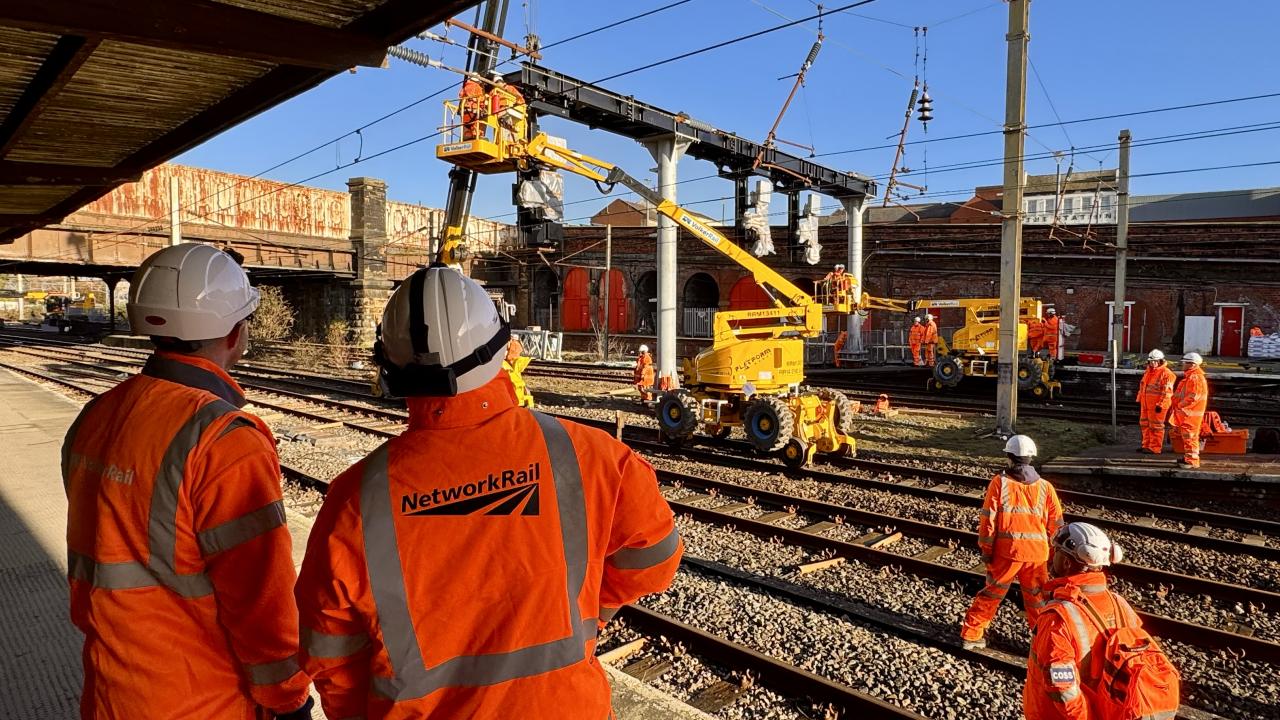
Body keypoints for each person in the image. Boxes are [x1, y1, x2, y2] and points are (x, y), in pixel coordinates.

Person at [296, 267, 682, 719]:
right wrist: (592, 608)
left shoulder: (356, 500)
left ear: (390, 370)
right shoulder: (593, 456)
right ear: (503, 349)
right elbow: (655, 560)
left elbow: (329, 653)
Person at [61, 244, 312, 719]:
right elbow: (261, 601)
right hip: (200, 699)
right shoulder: (224, 439)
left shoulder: (97, 415)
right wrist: (289, 698)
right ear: (237, 332)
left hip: (110, 692)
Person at [1025, 523, 1180, 720]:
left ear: (1066, 562)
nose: (1051, 556)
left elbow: (1062, 688)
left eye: (1057, 551)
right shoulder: (1119, 603)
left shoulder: (1058, 617)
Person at [961, 435, 1064, 650]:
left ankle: (971, 635)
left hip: (1006, 553)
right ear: (1031, 458)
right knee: (1038, 602)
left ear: (1009, 456)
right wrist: (1054, 556)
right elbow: (1057, 525)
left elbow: (988, 520)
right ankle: (1043, 645)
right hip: (1037, 555)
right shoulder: (1046, 487)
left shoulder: (1000, 483)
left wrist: (986, 550)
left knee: (991, 594)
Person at [1170, 352, 1209, 468]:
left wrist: (1180, 405)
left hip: (1190, 414)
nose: (1182, 365)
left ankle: (1191, 461)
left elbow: (1193, 396)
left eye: (1185, 363)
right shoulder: (1191, 377)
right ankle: (1189, 458)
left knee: (1190, 437)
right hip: (1188, 413)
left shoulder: (1195, 378)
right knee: (1189, 437)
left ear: (1192, 365)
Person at [1136, 349, 1176, 454]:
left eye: (1155, 361)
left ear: (1160, 361)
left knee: (1156, 426)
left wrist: (1160, 405)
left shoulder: (1167, 374)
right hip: (1146, 404)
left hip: (1157, 406)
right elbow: (1143, 388)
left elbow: (1167, 392)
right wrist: (1140, 399)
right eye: (1151, 361)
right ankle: (1146, 445)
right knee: (1145, 425)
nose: (1153, 363)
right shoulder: (1148, 372)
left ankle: (1155, 448)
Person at [489, 72, 526, 145]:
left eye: (499, 82)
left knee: (507, 126)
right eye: (497, 83)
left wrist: (516, 104)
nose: (498, 84)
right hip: (498, 114)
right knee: (503, 127)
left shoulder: (509, 88)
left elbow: (521, 100)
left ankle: (510, 142)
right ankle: (506, 142)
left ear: (502, 82)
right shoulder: (494, 91)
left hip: (506, 111)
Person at [459, 75, 487, 141]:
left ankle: (466, 136)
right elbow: (481, 98)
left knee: (466, 125)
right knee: (476, 123)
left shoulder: (465, 87)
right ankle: (476, 135)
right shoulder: (477, 87)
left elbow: (460, 95)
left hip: (465, 108)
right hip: (474, 108)